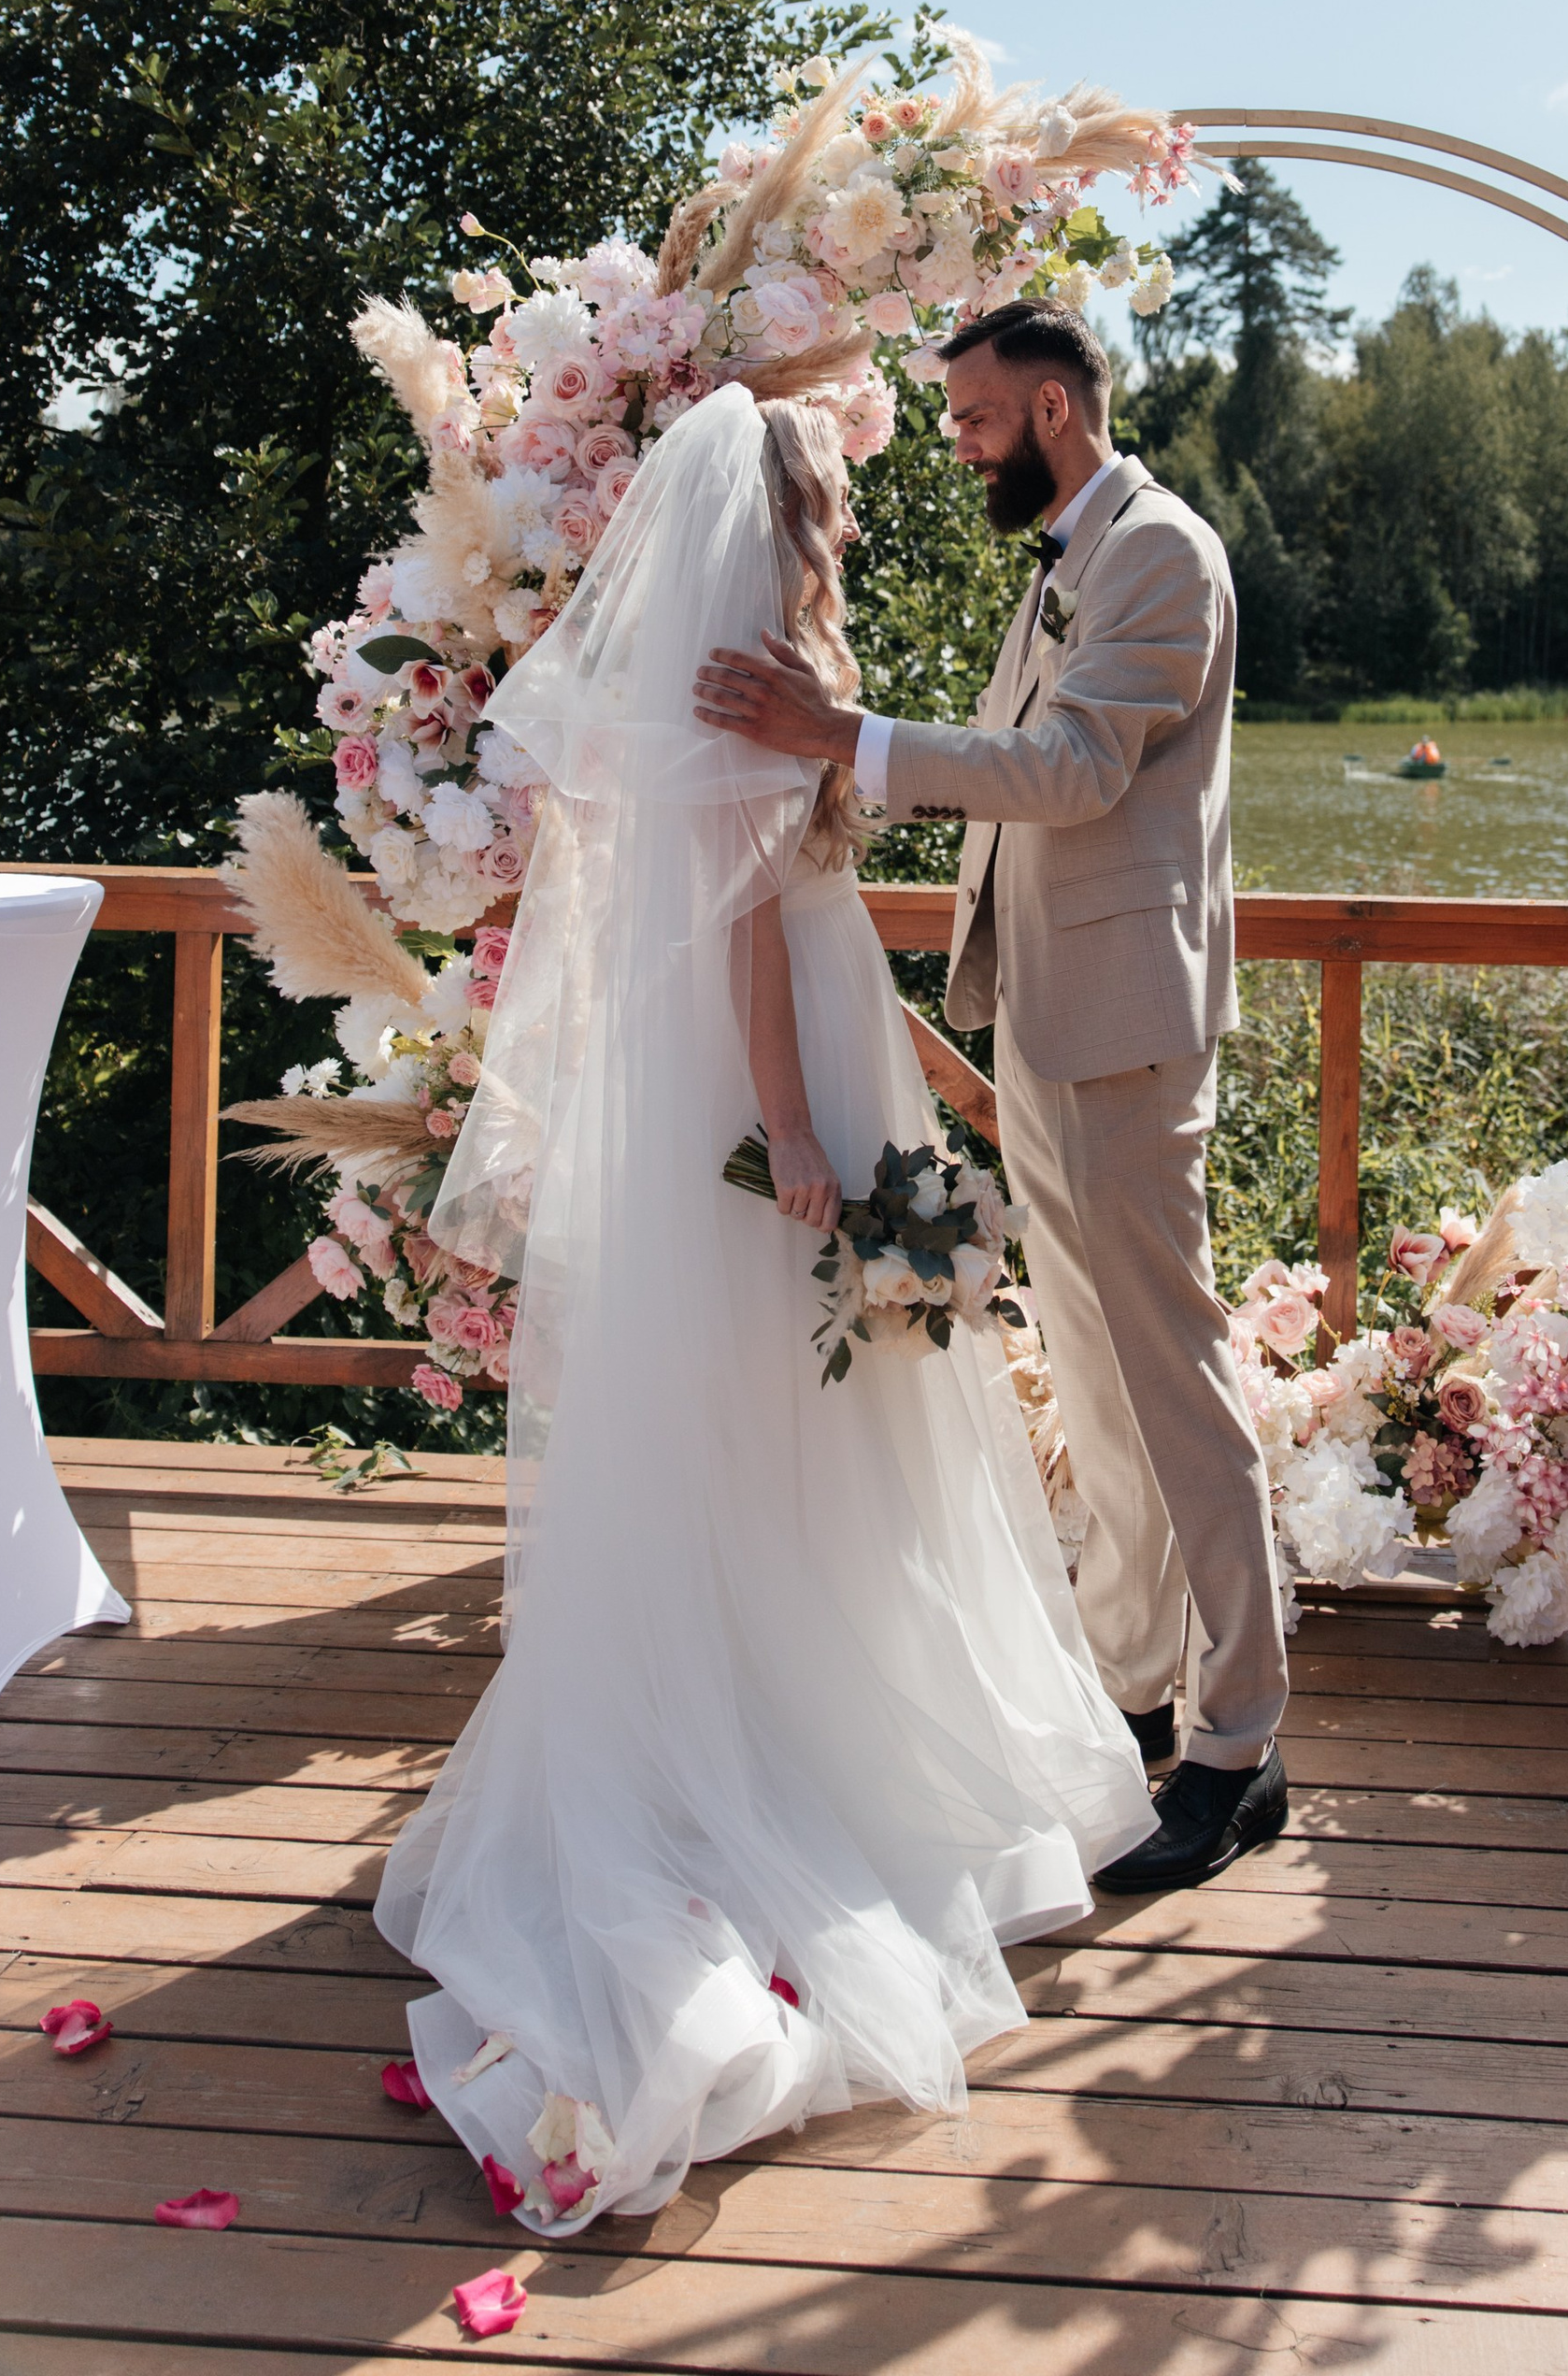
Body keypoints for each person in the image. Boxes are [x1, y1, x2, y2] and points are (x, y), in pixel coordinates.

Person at [374, 380, 1154, 2237]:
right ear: (787, 510)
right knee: (799, 1393)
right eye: (841, 494)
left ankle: (781, 1690)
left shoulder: (758, 659)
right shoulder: (751, 661)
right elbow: (735, 907)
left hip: (792, 1038)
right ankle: (780, 1739)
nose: (860, 518)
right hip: (772, 1061)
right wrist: (794, 1127)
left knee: (804, 1400)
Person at [694, 300, 1290, 1894]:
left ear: (1052, 409)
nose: (957, 446)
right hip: (1043, 1013)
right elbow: (1014, 771)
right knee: (1096, 1378)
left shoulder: (1161, 554)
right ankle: (1135, 1687)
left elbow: (1077, 772)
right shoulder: (1067, 560)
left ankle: (1241, 1741)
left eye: (971, 418)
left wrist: (840, 734)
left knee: (1174, 1376)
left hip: (1126, 1027)